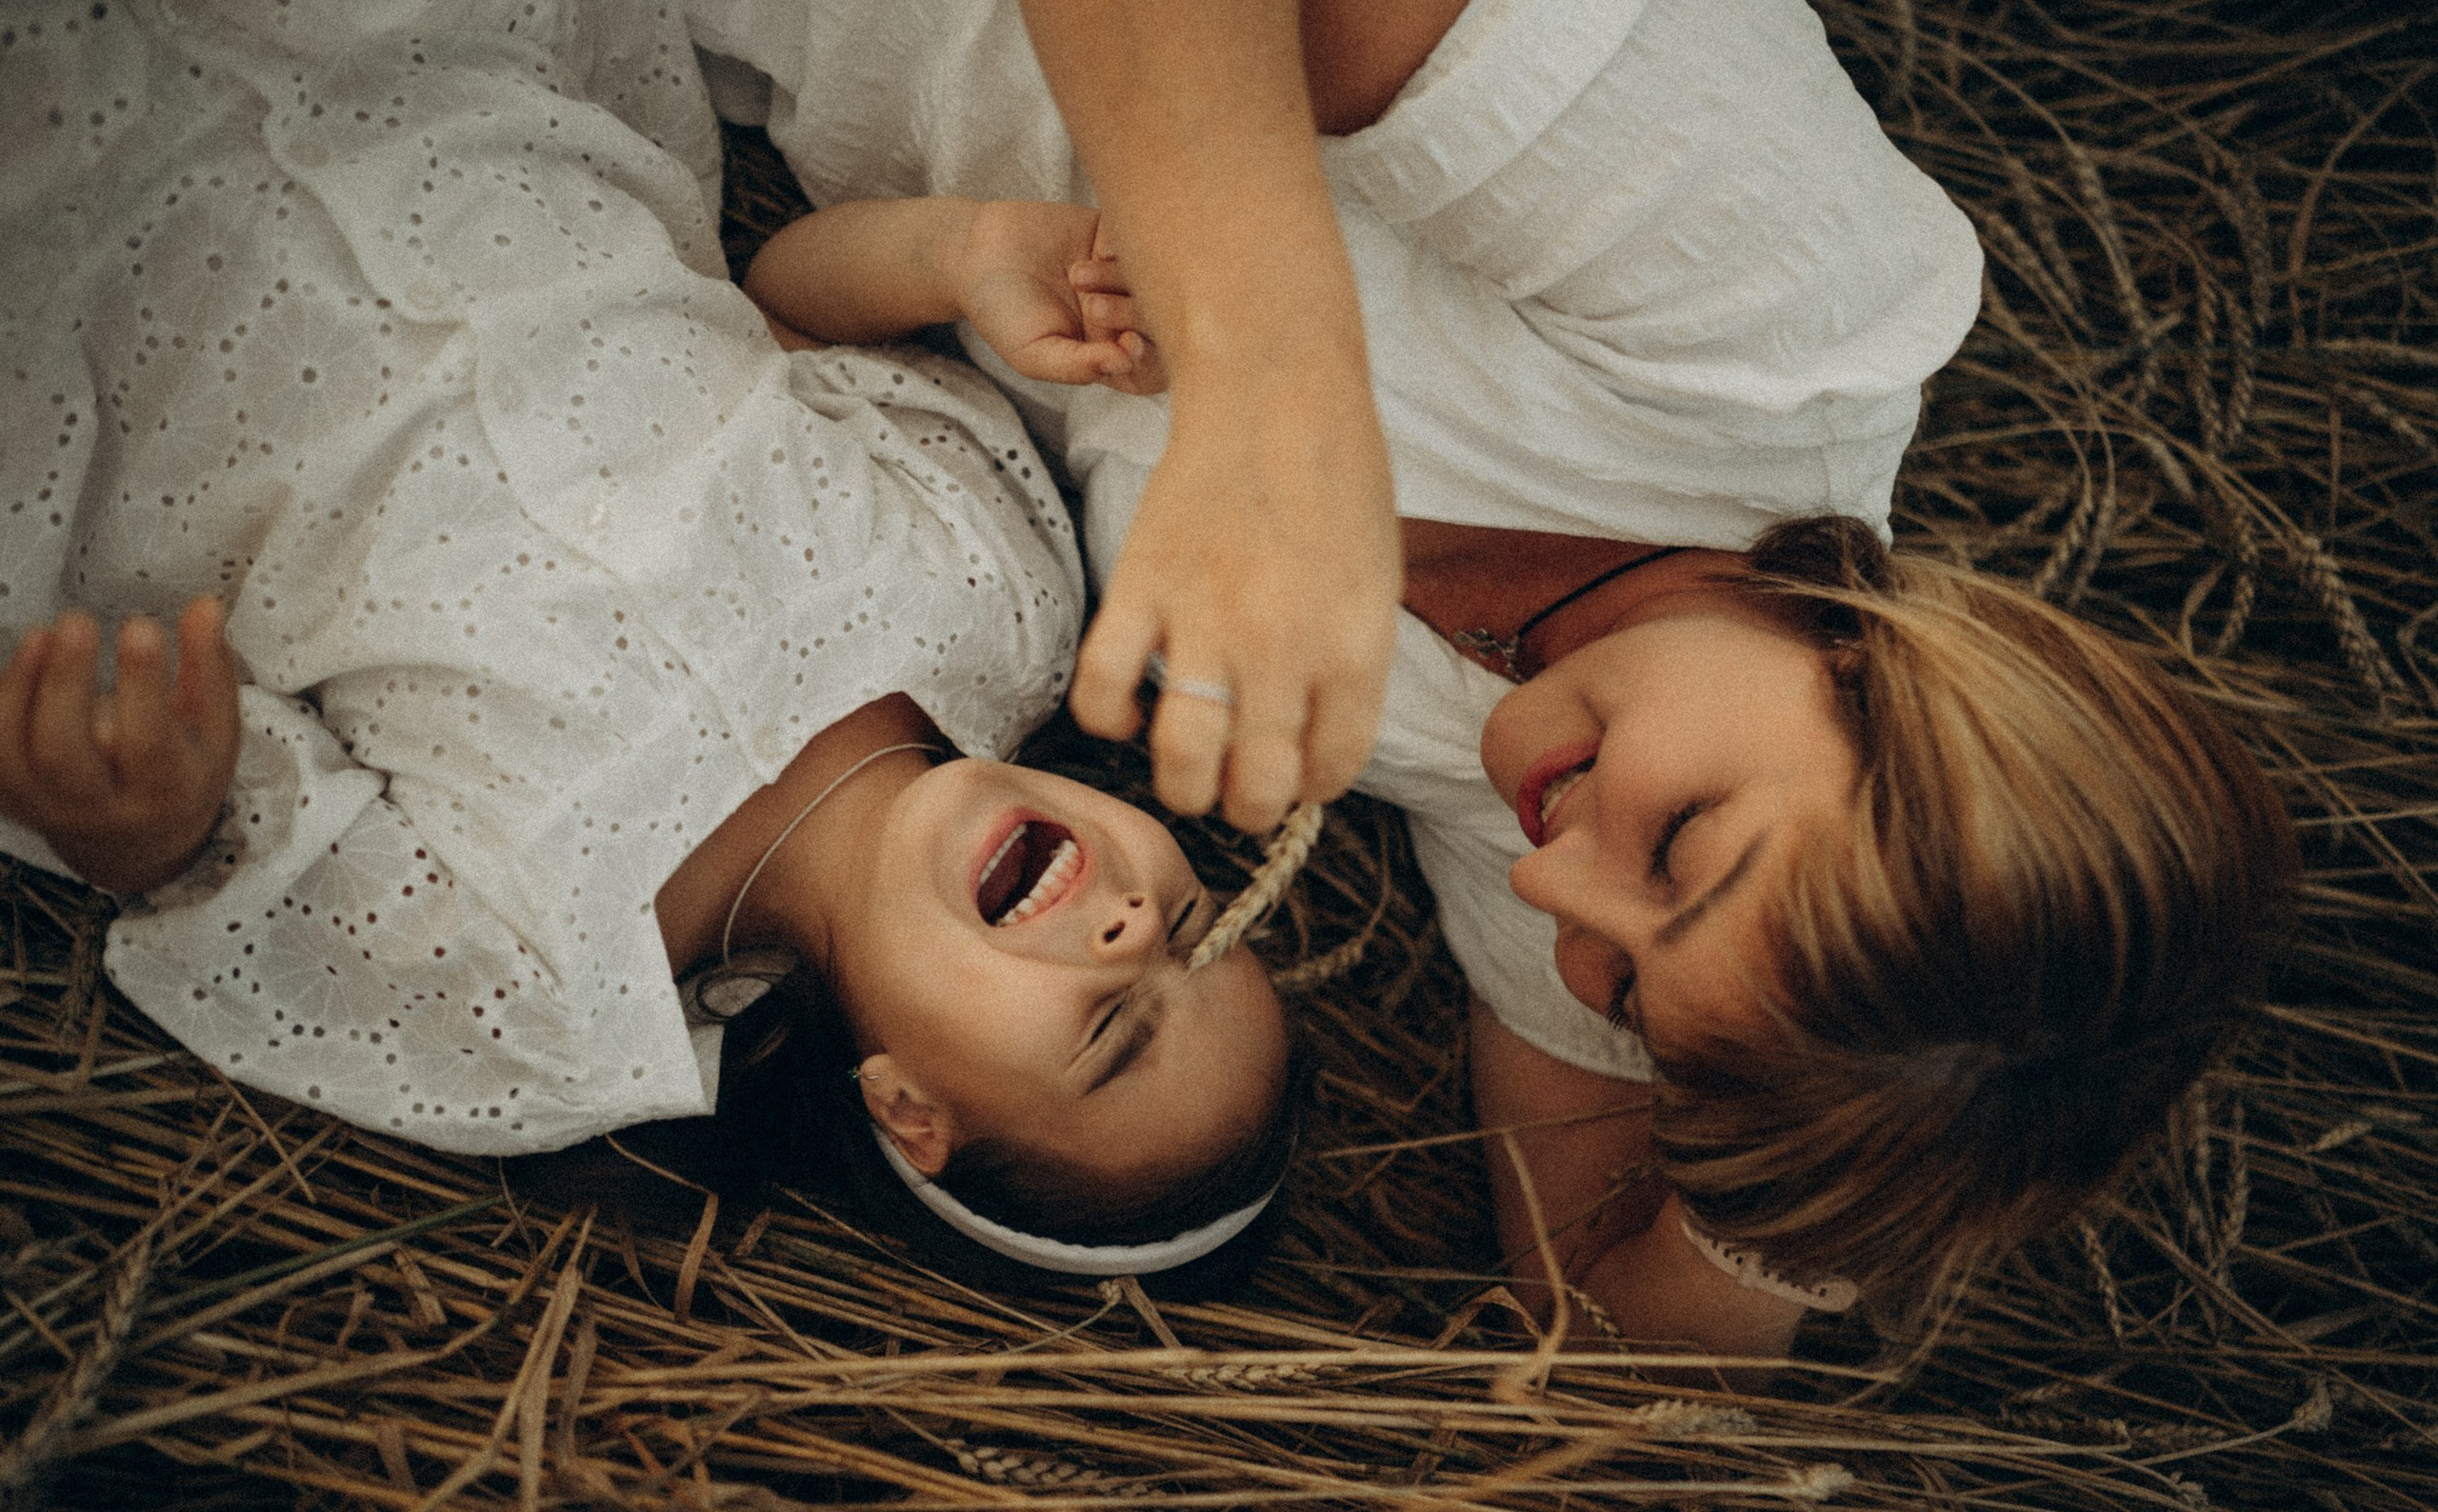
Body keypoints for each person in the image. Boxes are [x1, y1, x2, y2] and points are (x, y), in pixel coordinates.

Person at [693, 0, 2298, 1350]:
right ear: (1887, 672)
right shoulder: (1778, 313)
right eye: (1687, 844)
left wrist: (1812, 1211)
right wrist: (1270, 395)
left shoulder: (1547, 793)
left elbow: (1594, 1336)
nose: (1551, 887)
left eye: (1619, 989)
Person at [0, 0, 1297, 1284]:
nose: (1135, 925)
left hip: (126, 300)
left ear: (909, 1109)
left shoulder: (552, 1000)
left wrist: (137, 819)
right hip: (441, 96)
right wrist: (961, 253)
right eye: (1192, 919)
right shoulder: (1005, 598)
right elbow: (775, 311)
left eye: (1112, 1030)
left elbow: (231, 875)